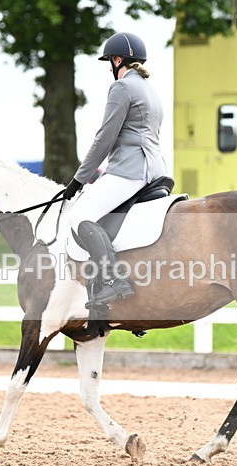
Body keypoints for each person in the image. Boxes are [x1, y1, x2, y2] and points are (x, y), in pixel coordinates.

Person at [64, 32, 167, 307]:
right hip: (156, 169)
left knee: (80, 214)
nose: (110, 67)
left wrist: (79, 180)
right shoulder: (149, 88)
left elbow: (105, 138)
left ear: (118, 60)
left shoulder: (121, 88)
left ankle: (112, 280)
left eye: (110, 61)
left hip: (130, 170)